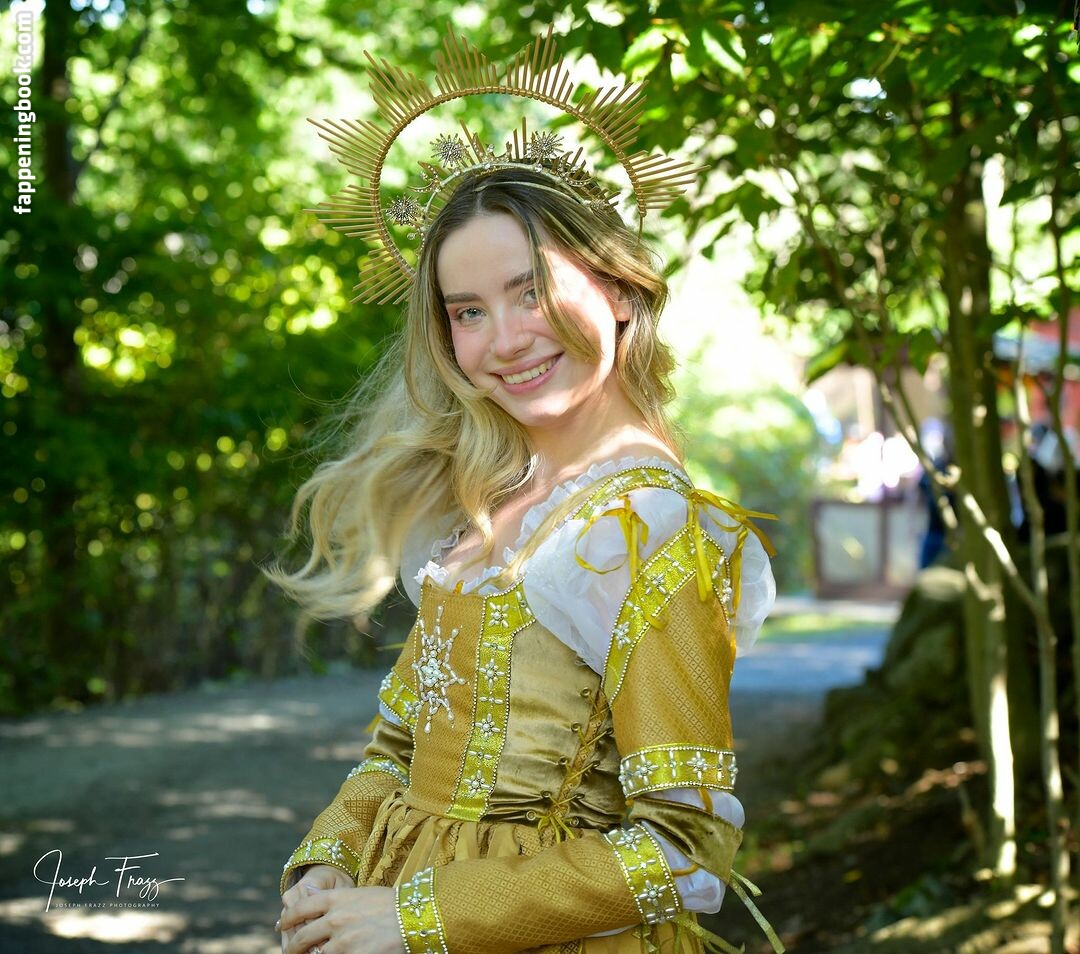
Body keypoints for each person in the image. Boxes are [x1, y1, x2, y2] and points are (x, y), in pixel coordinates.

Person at [267, 28, 781, 954]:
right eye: (467, 312)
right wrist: (330, 863)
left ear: (619, 289)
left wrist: (418, 917)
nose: (504, 339)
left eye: (531, 290)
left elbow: (684, 847)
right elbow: (398, 747)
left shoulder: (651, 529)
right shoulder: (479, 508)